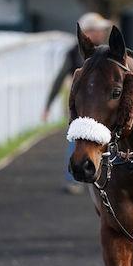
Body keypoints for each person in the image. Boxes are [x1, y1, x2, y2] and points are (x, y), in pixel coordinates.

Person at [43, 12, 111, 194]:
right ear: (87, 32)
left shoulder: (108, 50)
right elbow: (59, 79)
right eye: (99, 30)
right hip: (82, 106)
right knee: (78, 140)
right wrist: (48, 105)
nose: (103, 33)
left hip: (103, 105)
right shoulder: (74, 52)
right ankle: (73, 179)